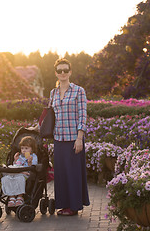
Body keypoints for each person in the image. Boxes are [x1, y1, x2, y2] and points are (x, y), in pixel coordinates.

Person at [50, 58, 90, 216]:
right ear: (56, 73)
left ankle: (73, 207)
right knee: (61, 174)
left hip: (74, 139)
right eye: (59, 71)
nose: (62, 73)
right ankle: (63, 204)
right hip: (58, 139)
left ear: (70, 72)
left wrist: (79, 138)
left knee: (73, 173)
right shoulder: (53, 92)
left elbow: (82, 116)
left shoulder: (79, 91)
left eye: (65, 70)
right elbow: (51, 116)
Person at [1, 136, 38, 207]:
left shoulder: (33, 156)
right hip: (18, 172)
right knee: (7, 178)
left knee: (19, 178)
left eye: (26, 148)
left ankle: (20, 197)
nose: (24, 150)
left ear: (32, 149)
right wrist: (15, 160)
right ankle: (11, 197)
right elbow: (16, 166)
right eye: (22, 148)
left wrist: (30, 161)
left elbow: (33, 167)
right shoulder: (20, 157)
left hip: (26, 173)